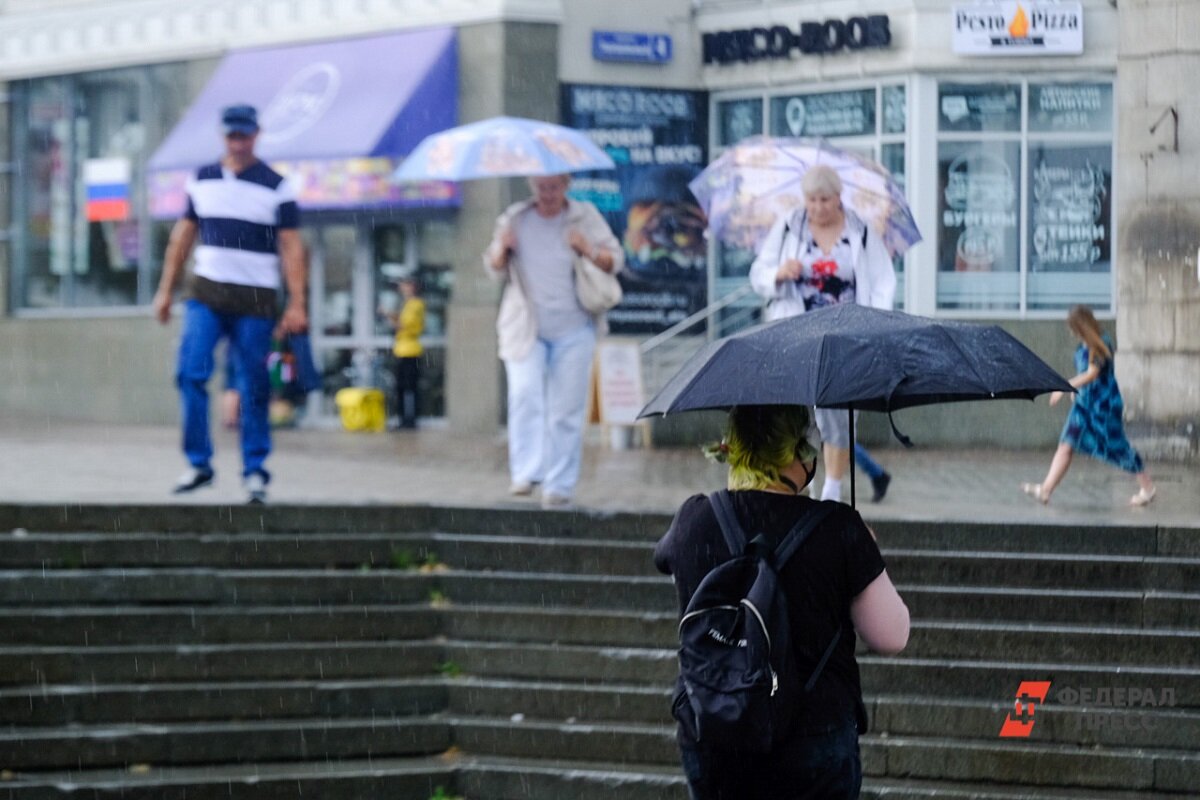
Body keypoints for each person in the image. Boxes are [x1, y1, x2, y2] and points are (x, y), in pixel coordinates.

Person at [654, 405, 909, 799]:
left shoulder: (696, 518)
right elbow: (892, 636)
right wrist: (864, 551)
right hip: (814, 739)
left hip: (717, 730)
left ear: (733, 448)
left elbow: (669, 563)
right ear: (793, 454)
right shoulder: (838, 527)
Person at [152, 104, 308, 505]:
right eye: (231, 136)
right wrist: (166, 290)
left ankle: (255, 470)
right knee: (190, 373)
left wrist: (297, 303)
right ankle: (199, 464)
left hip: (256, 299)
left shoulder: (277, 186)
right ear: (223, 136)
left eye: (245, 135)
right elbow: (182, 238)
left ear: (257, 134)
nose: (238, 143)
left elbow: (292, 248)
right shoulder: (201, 179)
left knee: (253, 384)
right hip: (206, 294)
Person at [749, 165, 897, 504]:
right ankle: (800, 488)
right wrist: (779, 273)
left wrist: (873, 322)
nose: (817, 207)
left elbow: (882, 279)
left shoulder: (859, 230)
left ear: (838, 197)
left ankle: (832, 492)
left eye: (825, 200)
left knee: (840, 413)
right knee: (798, 416)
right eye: (811, 200)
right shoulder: (790, 227)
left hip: (847, 337)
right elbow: (758, 272)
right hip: (797, 336)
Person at [483, 174, 623, 509]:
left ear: (566, 185)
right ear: (532, 185)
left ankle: (559, 484)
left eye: (554, 187)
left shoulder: (584, 215)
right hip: (525, 327)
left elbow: (615, 260)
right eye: (541, 187)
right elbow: (494, 268)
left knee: (566, 410)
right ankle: (526, 473)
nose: (548, 194)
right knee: (524, 395)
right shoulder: (516, 217)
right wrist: (502, 248)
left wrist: (586, 247)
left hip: (575, 328)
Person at [1022, 305, 1156, 507]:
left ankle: (1148, 488)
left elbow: (1092, 374)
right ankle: (1046, 489)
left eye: (1073, 327)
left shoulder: (1101, 343)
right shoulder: (1084, 345)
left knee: (1118, 446)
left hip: (1103, 406)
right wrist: (1076, 392)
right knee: (1066, 444)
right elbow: (1086, 377)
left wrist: (1064, 387)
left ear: (1081, 326)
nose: (1071, 332)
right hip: (1084, 405)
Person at [390, 275, 425, 430]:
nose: (403, 288)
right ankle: (403, 419)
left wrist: (389, 317)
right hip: (401, 349)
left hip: (410, 351)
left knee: (409, 387)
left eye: (406, 285)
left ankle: (410, 420)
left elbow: (405, 326)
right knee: (401, 388)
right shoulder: (406, 304)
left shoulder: (415, 304)